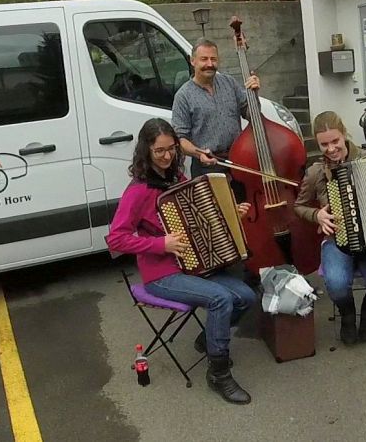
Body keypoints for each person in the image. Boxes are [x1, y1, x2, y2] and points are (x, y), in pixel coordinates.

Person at [106, 118, 256, 405]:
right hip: (162, 274)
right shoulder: (138, 190)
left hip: (196, 265)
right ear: (145, 151)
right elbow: (116, 239)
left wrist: (232, 213)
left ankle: (209, 339)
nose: (167, 156)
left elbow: (203, 218)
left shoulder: (178, 179)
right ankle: (219, 373)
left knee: (247, 296)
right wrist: (160, 243)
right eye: (159, 151)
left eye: (172, 149)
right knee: (221, 299)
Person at [293, 111, 366, 345]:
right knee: (335, 285)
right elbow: (299, 206)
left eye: (335, 141)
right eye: (324, 144)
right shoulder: (316, 172)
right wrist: (317, 215)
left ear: (344, 135)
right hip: (337, 241)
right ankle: (347, 314)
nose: (331, 148)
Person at [171, 38, 260, 201]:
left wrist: (254, 95)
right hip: (207, 167)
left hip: (239, 161)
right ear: (193, 61)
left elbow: (251, 115)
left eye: (213, 59)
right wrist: (199, 153)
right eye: (204, 59)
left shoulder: (229, 83)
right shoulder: (183, 96)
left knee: (246, 213)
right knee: (219, 221)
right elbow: (180, 139)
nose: (209, 64)